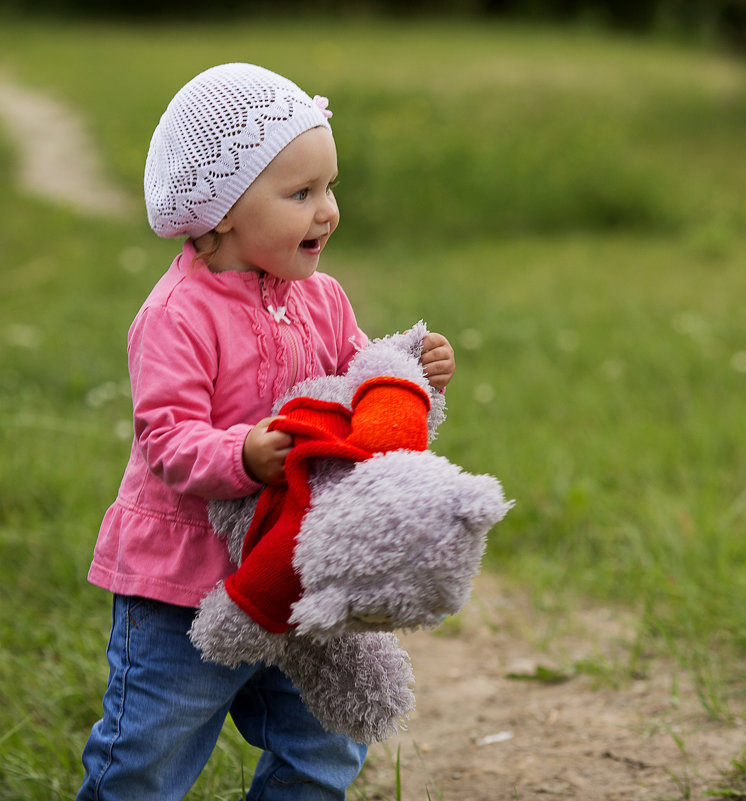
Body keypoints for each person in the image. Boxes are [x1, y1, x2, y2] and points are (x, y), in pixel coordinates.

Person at [76, 62, 455, 800]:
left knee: (323, 741)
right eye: (301, 194)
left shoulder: (323, 297)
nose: (328, 211)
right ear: (219, 211)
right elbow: (166, 438)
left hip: (294, 568)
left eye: (330, 187)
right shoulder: (177, 315)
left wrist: (406, 370)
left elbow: (356, 388)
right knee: (146, 755)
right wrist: (244, 453)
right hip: (180, 587)